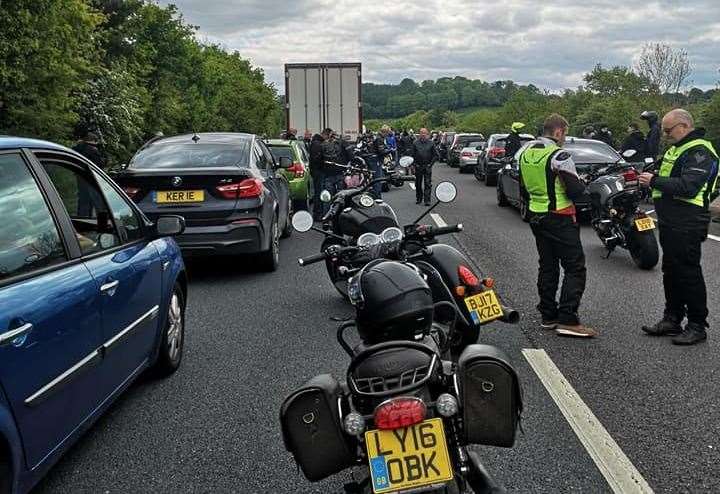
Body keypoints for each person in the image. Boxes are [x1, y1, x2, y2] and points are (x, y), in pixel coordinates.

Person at [638, 109, 719, 345]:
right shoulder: (676, 149)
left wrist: (653, 181)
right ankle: (672, 319)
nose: (665, 135)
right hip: (671, 220)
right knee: (671, 270)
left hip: (688, 220)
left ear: (684, 125)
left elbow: (688, 186)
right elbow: (666, 175)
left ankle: (696, 325)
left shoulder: (700, 151)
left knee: (688, 272)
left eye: (668, 130)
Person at [519, 114, 596, 337]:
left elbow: (524, 186)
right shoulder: (559, 155)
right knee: (575, 267)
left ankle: (548, 315)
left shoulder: (526, 152)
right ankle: (568, 319)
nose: (565, 138)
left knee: (548, 265)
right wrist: (583, 186)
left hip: (536, 215)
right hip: (560, 216)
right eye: (565, 133)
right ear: (559, 131)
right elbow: (574, 191)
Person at [411, 128, 439, 206]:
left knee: (427, 183)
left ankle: (427, 200)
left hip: (427, 166)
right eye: (421, 133)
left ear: (427, 134)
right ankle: (419, 198)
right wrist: (414, 165)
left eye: (425, 133)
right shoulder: (415, 143)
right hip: (418, 166)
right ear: (419, 134)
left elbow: (436, 155)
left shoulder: (431, 143)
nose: (423, 135)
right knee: (418, 183)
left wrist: (431, 164)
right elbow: (412, 155)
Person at [308, 133, 326, 220]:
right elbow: (317, 159)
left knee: (318, 192)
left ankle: (318, 212)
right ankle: (318, 213)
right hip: (318, 171)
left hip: (316, 171)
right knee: (319, 192)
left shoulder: (315, 143)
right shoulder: (317, 144)